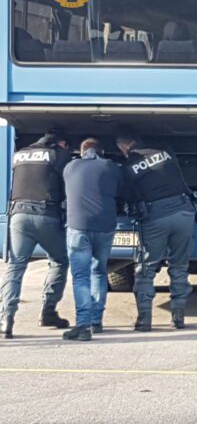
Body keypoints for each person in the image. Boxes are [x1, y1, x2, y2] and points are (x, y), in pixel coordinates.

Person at [116, 129, 197, 331]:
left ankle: (144, 320)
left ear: (125, 147)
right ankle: (178, 318)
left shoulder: (128, 166)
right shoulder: (165, 152)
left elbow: (127, 195)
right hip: (184, 213)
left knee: (146, 269)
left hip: (156, 216)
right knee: (179, 267)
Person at [0, 130, 72, 339]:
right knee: (60, 260)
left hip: (18, 215)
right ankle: (48, 311)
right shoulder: (59, 154)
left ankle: (7, 318)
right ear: (61, 143)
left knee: (15, 265)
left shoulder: (21, 153)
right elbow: (69, 183)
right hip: (45, 214)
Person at [61, 139, 124, 341]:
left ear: (80, 152)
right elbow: (121, 189)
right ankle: (96, 321)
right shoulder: (110, 166)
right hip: (105, 226)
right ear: (101, 151)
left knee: (81, 276)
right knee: (99, 271)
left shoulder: (70, 167)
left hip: (78, 226)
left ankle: (83, 325)